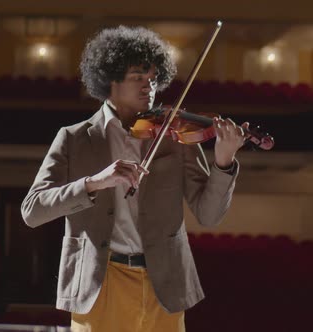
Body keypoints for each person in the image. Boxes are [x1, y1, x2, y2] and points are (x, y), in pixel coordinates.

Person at [21, 26, 247, 332]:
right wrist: (93, 183)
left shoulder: (174, 136)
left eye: (153, 79)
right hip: (100, 282)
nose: (149, 87)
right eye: (138, 78)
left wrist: (223, 161)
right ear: (110, 80)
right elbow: (32, 210)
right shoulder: (73, 138)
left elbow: (209, 215)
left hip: (164, 281)